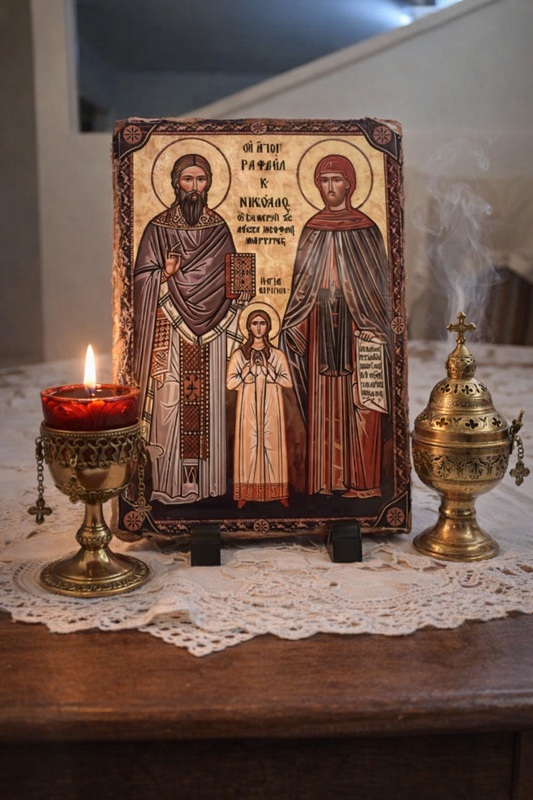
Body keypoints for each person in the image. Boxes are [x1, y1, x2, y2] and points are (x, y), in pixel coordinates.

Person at [134, 153, 249, 504]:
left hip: (211, 339)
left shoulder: (219, 228)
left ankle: (209, 487)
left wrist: (241, 293)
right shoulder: (157, 228)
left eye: (201, 180)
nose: (195, 188)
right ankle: (169, 486)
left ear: (209, 184)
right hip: (170, 330)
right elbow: (140, 281)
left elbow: (234, 280)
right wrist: (164, 274)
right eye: (188, 179)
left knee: (210, 406)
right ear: (175, 183)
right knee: (170, 404)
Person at [279, 154, 391, 498]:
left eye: (336, 180)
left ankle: (365, 483)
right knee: (324, 402)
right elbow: (302, 289)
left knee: (363, 405)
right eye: (324, 181)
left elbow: (379, 291)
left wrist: (377, 327)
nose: (330, 187)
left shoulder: (367, 230)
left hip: (359, 330)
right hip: (319, 328)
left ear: (350, 184)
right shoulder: (312, 229)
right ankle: (326, 481)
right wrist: (292, 326)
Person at [227, 307, 292, 508]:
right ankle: (246, 493)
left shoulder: (277, 355)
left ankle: (278, 492)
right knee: (249, 446)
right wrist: (246, 371)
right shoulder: (239, 354)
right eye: (254, 323)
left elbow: (287, 382)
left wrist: (270, 370)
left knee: (272, 445)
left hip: (272, 406)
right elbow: (230, 383)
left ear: (268, 327)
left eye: (262, 323)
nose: (258, 327)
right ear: (248, 326)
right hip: (248, 407)